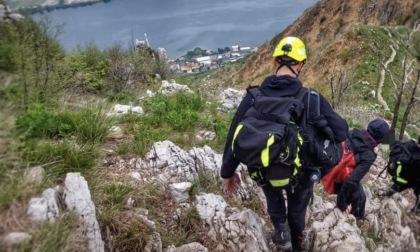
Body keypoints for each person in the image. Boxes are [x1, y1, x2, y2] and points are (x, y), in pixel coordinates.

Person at [220, 36, 349, 252]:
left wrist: (227, 172)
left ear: (275, 62)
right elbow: (341, 131)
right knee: (298, 204)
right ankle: (295, 239)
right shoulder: (311, 98)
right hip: (299, 172)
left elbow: (234, 133)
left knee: (272, 194)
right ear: (300, 65)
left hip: (264, 165)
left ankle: (281, 230)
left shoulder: (254, 96)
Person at [334, 118, 390, 218]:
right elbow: (351, 181)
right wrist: (341, 203)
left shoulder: (352, 132)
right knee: (360, 198)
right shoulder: (369, 156)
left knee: (359, 193)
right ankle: (357, 217)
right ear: (380, 139)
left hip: (332, 165)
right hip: (341, 176)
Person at [383, 136, 420, 213]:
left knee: (399, 185)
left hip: (395, 175)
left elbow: (388, 140)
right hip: (406, 181)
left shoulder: (409, 143)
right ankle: (416, 210)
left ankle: (387, 192)